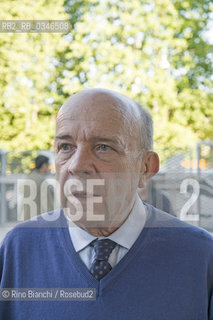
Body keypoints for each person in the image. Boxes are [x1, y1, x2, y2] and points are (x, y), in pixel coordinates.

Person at [0, 88, 213, 320]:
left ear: (145, 167)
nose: (77, 165)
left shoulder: (201, 258)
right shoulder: (18, 249)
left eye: (103, 147)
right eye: (65, 147)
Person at [19, 155, 55, 220]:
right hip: (38, 221)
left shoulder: (29, 177)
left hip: (26, 219)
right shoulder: (41, 181)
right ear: (44, 165)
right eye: (48, 165)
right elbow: (48, 206)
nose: (49, 168)